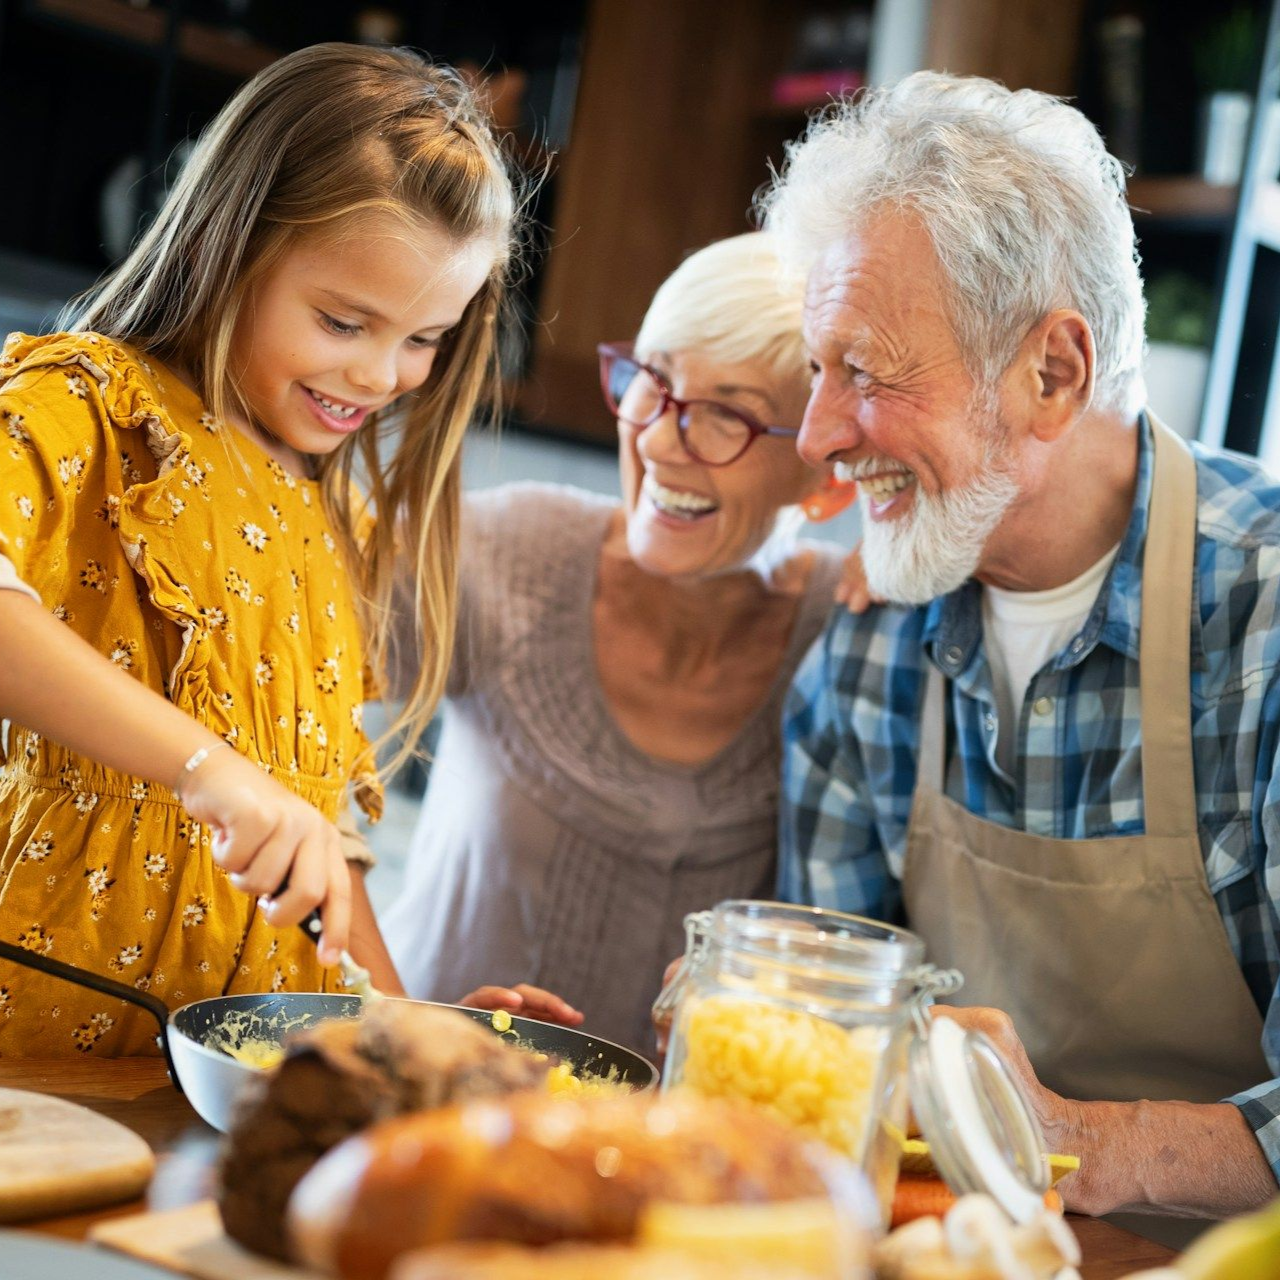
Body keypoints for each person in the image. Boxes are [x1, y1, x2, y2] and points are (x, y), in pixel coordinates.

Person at [767, 72, 1280, 1228]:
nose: (815, 433)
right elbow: (832, 1061)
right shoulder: (862, 658)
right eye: (815, 367)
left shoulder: (1264, 621)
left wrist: (1081, 1142)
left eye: (865, 369)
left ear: (1051, 372)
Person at [0, 43, 517, 1055]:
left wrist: (414, 1040)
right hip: (42, 1061)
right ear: (227, 244)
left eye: (424, 339)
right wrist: (203, 765)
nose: (378, 374)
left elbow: (315, 843)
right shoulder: (89, 404)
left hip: (236, 1080)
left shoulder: (334, 518)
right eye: (342, 320)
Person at [380, 232, 856, 1053]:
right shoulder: (505, 552)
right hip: (416, 1100)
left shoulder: (849, 639)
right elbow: (269, 680)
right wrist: (379, 1011)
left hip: (656, 1160)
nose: (662, 440)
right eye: (656, 384)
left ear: (826, 477)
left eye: (727, 416)